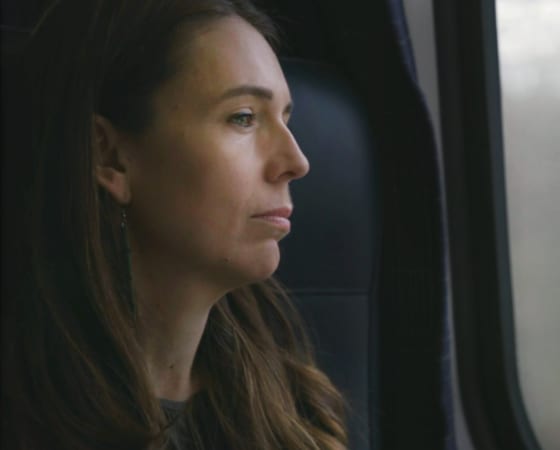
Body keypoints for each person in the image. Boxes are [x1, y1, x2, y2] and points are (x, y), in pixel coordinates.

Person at [1, 0, 347, 448]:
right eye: (243, 118)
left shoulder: (292, 406)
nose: (296, 162)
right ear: (110, 157)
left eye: (285, 119)